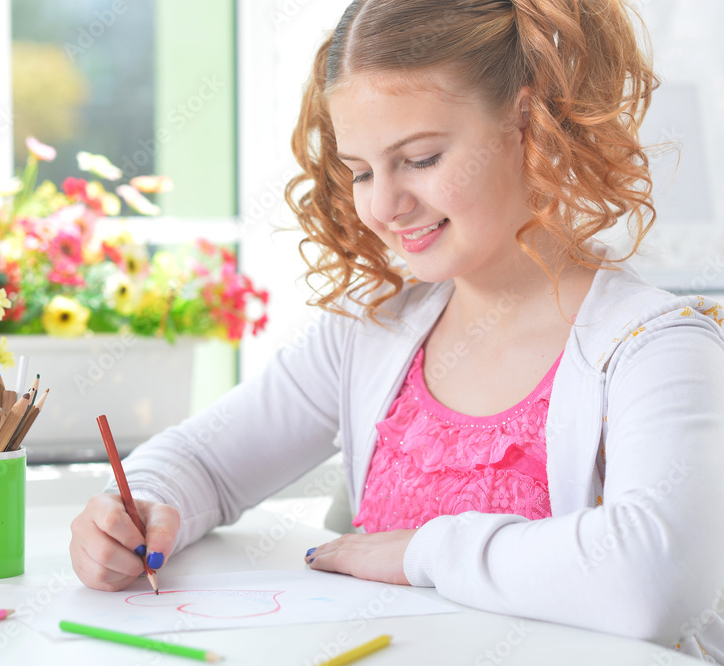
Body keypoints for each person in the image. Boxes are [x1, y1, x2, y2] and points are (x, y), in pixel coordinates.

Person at [70, 0, 724, 659]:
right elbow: (205, 463)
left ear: (531, 123)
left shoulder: (653, 348)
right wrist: (140, 509)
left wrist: (426, 550)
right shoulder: (369, 333)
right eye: (360, 170)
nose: (383, 205)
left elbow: (652, 580)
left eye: (420, 159)